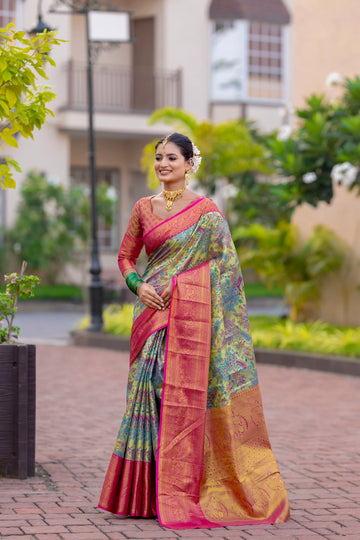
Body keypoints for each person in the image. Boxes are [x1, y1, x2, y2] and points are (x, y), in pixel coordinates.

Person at [98, 132, 290, 529]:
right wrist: (139, 285)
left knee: (176, 393)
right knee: (146, 393)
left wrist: (186, 287)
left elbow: (226, 268)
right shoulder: (142, 207)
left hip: (189, 317)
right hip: (150, 314)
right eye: (158, 157)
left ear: (189, 163)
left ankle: (183, 485)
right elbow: (125, 256)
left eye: (171, 157)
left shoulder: (207, 212)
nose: (163, 164)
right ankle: (144, 494)